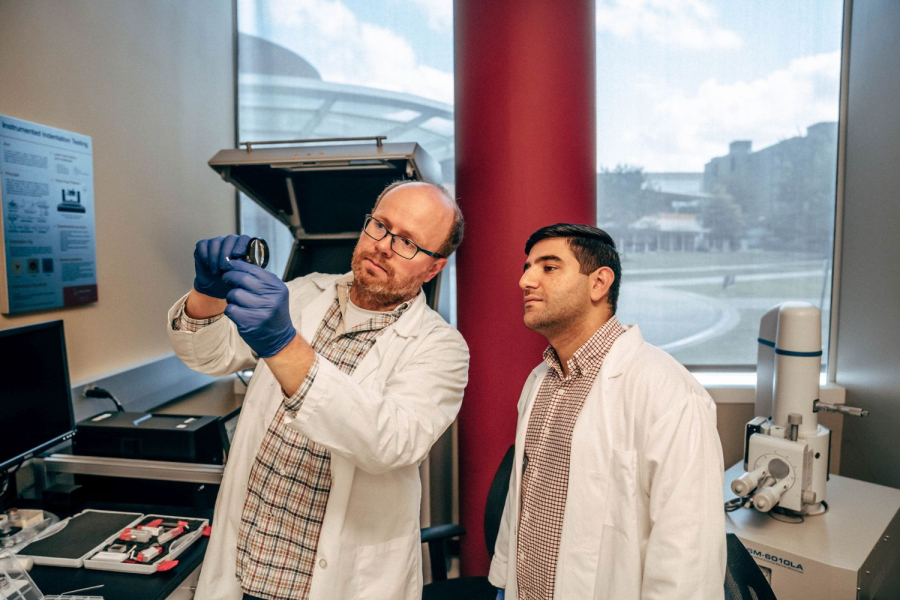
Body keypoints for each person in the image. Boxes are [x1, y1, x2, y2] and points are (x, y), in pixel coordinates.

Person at [167, 181, 469, 600]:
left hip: (334, 583)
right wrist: (207, 295)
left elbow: (391, 442)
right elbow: (209, 357)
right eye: (380, 226)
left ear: (434, 267)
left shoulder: (441, 348)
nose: (383, 246)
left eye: (408, 243)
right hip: (245, 568)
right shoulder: (305, 291)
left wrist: (283, 345)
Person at [489, 223, 726, 600]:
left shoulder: (668, 392)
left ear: (599, 283)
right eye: (527, 268)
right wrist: (503, 581)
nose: (526, 281)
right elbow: (524, 496)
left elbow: (689, 553)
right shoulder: (540, 381)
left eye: (548, 267)